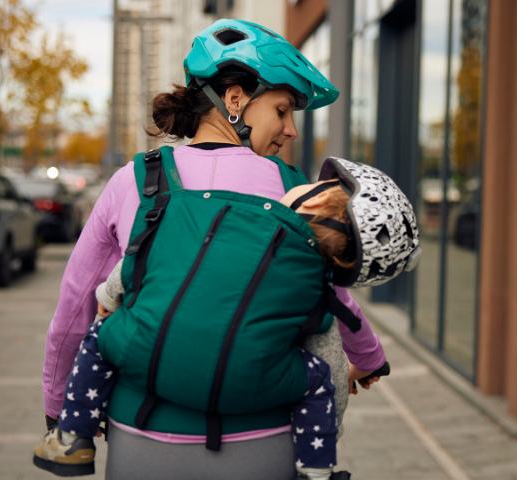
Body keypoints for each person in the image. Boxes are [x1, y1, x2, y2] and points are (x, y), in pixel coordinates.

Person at [40, 19, 415, 480]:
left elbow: (76, 300)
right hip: (262, 439)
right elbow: (332, 298)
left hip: (140, 433)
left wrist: (59, 408)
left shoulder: (135, 180)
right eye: (282, 110)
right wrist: (371, 357)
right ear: (235, 99)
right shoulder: (295, 192)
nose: (291, 130)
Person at [34, 173, 399, 479]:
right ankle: (317, 470)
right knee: (320, 378)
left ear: (316, 204)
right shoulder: (314, 274)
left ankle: (73, 436)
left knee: (100, 337)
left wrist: (110, 303)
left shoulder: (202, 219)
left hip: (152, 364)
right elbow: (331, 361)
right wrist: (338, 410)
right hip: (249, 384)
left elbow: (127, 272)